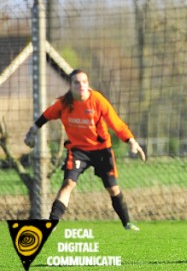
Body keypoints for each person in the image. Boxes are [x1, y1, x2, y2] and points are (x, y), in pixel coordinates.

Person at [24, 69, 146, 231]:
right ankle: (52, 223)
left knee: (113, 188)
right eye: (77, 82)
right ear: (71, 85)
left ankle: (127, 223)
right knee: (68, 183)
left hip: (101, 149)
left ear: (88, 84)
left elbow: (116, 123)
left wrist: (131, 141)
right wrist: (32, 133)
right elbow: (45, 116)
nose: (81, 85)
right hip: (78, 150)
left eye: (84, 82)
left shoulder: (97, 100)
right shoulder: (64, 104)